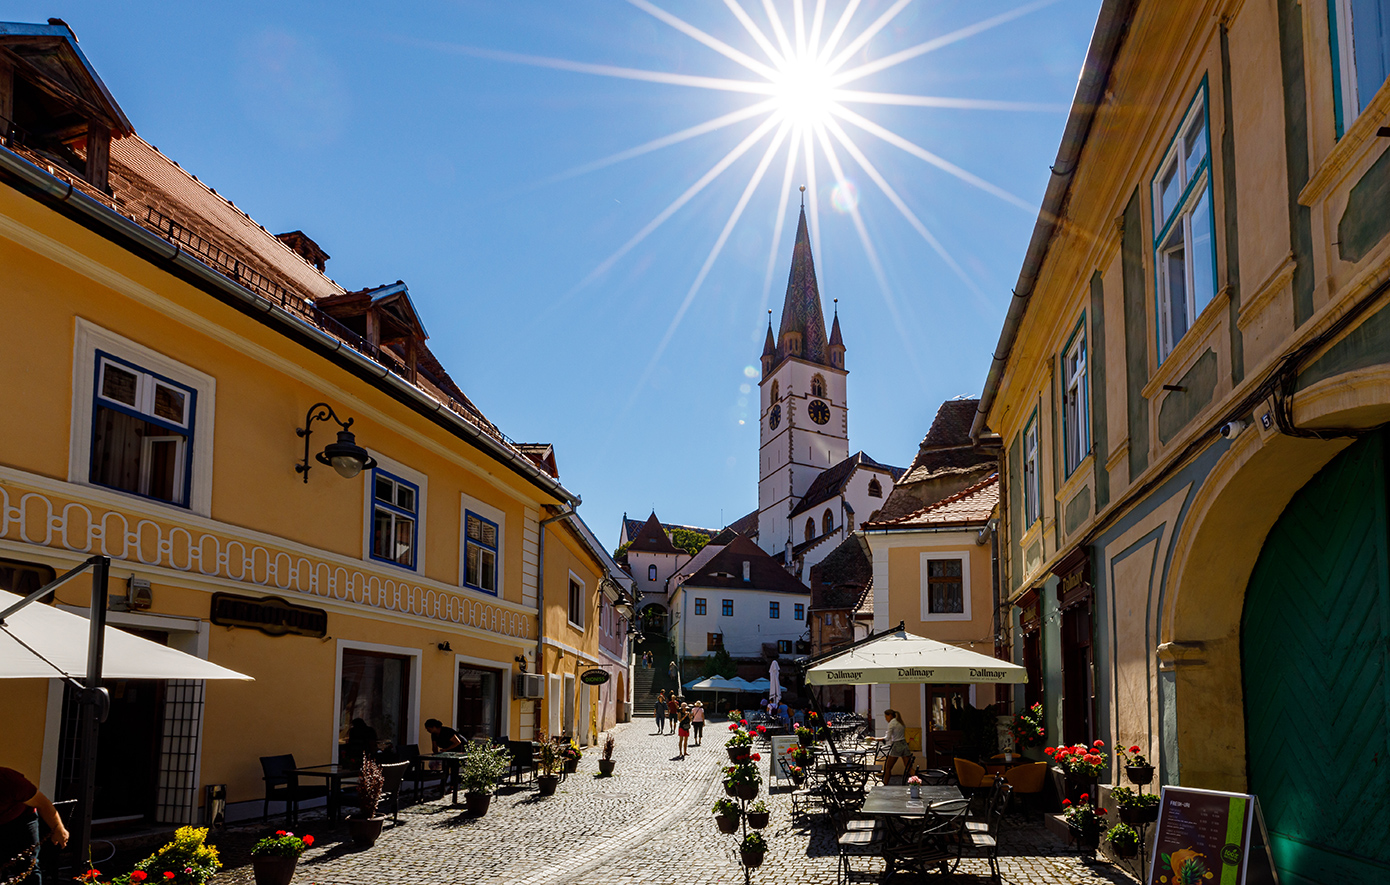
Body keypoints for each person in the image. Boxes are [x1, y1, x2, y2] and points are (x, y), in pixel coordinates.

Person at [1, 766, 68, 885]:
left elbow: (43, 804)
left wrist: (58, 829)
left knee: (27, 866)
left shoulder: (10, 780)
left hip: (21, 818)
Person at [875, 709, 913, 784]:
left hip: (896, 746)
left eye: (886, 717)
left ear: (890, 715)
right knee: (909, 767)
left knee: (888, 767)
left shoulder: (892, 724)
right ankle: (918, 782)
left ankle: (885, 784)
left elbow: (887, 738)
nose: (886, 719)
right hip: (904, 744)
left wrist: (874, 739)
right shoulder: (900, 722)